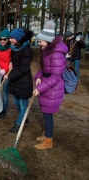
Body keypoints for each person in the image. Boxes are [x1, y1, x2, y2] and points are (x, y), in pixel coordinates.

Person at [33, 20, 68, 150]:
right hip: (48, 88)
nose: (39, 43)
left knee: (48, 115)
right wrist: (38, 77)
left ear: (48, 40)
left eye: (41, 40)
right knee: (46, 114)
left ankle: (48, 141)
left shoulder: (57, 55)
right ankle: (47, 133)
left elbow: (55, 77)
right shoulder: (47, 52)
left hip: (53, 89)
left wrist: (39, 89)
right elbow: (44, 69)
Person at [4, 28, 34, 133]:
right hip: (16, 79)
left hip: (24, 80)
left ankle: (19, 124)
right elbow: (15, 61)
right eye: (10, 37)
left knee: (23, 103)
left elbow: (24, 68)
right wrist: (11, 62)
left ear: (19, 38)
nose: (10, 40)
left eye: (13, 38)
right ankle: (24, 118)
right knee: (16, 101)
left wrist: (10, 77)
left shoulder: (27, 50)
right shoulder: (14, 48)